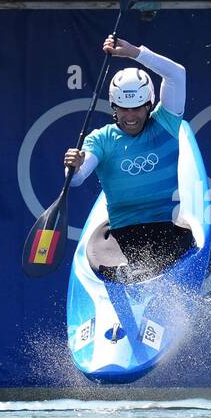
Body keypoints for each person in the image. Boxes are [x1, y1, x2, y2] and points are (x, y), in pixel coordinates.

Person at [64, 35, 190, 283]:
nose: (130, 116)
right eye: (123, 108)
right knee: (103, 257)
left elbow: (177, 74)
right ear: (113, 106)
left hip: (164, 231)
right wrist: (74, 167)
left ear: (149, 104)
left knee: (185, 240)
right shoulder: (101, 139)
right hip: (121, 238)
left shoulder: (166, 123)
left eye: (138, 107)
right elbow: (77, 178)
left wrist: (136, 53)